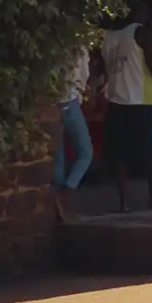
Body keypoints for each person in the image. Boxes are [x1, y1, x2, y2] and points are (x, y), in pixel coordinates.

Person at [101, 0, 152, 212]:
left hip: (116, 100)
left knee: (120, 155)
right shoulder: (142, 33)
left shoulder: (108, 36)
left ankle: (124, 201)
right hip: (143, 101)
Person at [53, 43, 95, 219]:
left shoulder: (52, 45)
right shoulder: (80, 47)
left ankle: (57, 204)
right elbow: (84, 77)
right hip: (69, 102)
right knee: (86, 153)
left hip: (52, 103)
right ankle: (65, 196)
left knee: (58, 157)